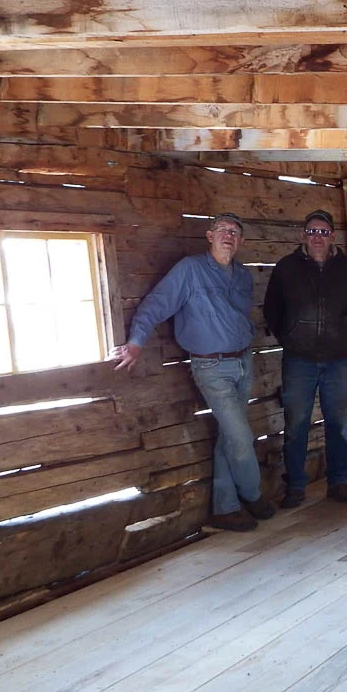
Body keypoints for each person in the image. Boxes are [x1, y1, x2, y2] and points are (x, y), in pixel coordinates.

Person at [111, 212, 270, 532]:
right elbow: (157, 304)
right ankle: (251, 493)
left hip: (243, 361)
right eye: (223, 230)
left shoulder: (242, 275)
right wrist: (136, 343)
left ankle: (225, 509)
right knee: (240, 435)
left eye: (236, 232)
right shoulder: (190, 270)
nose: (230, 235)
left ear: (242, 241)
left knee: (229, 433)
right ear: (209, 236)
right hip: (211, 366)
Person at [263, 209, 347, 510]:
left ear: (332, 236)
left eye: (323, 231)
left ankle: (338, 482)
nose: (317, 237)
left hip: (336, 359)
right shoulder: (286, 268)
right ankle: (295, 486)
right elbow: (272, 310)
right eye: (312, 231)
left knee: (338, 423)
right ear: (303, 235)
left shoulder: (346, 268)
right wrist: (290, 339)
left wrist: (338, 337)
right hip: (298, 360)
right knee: (296, 424)